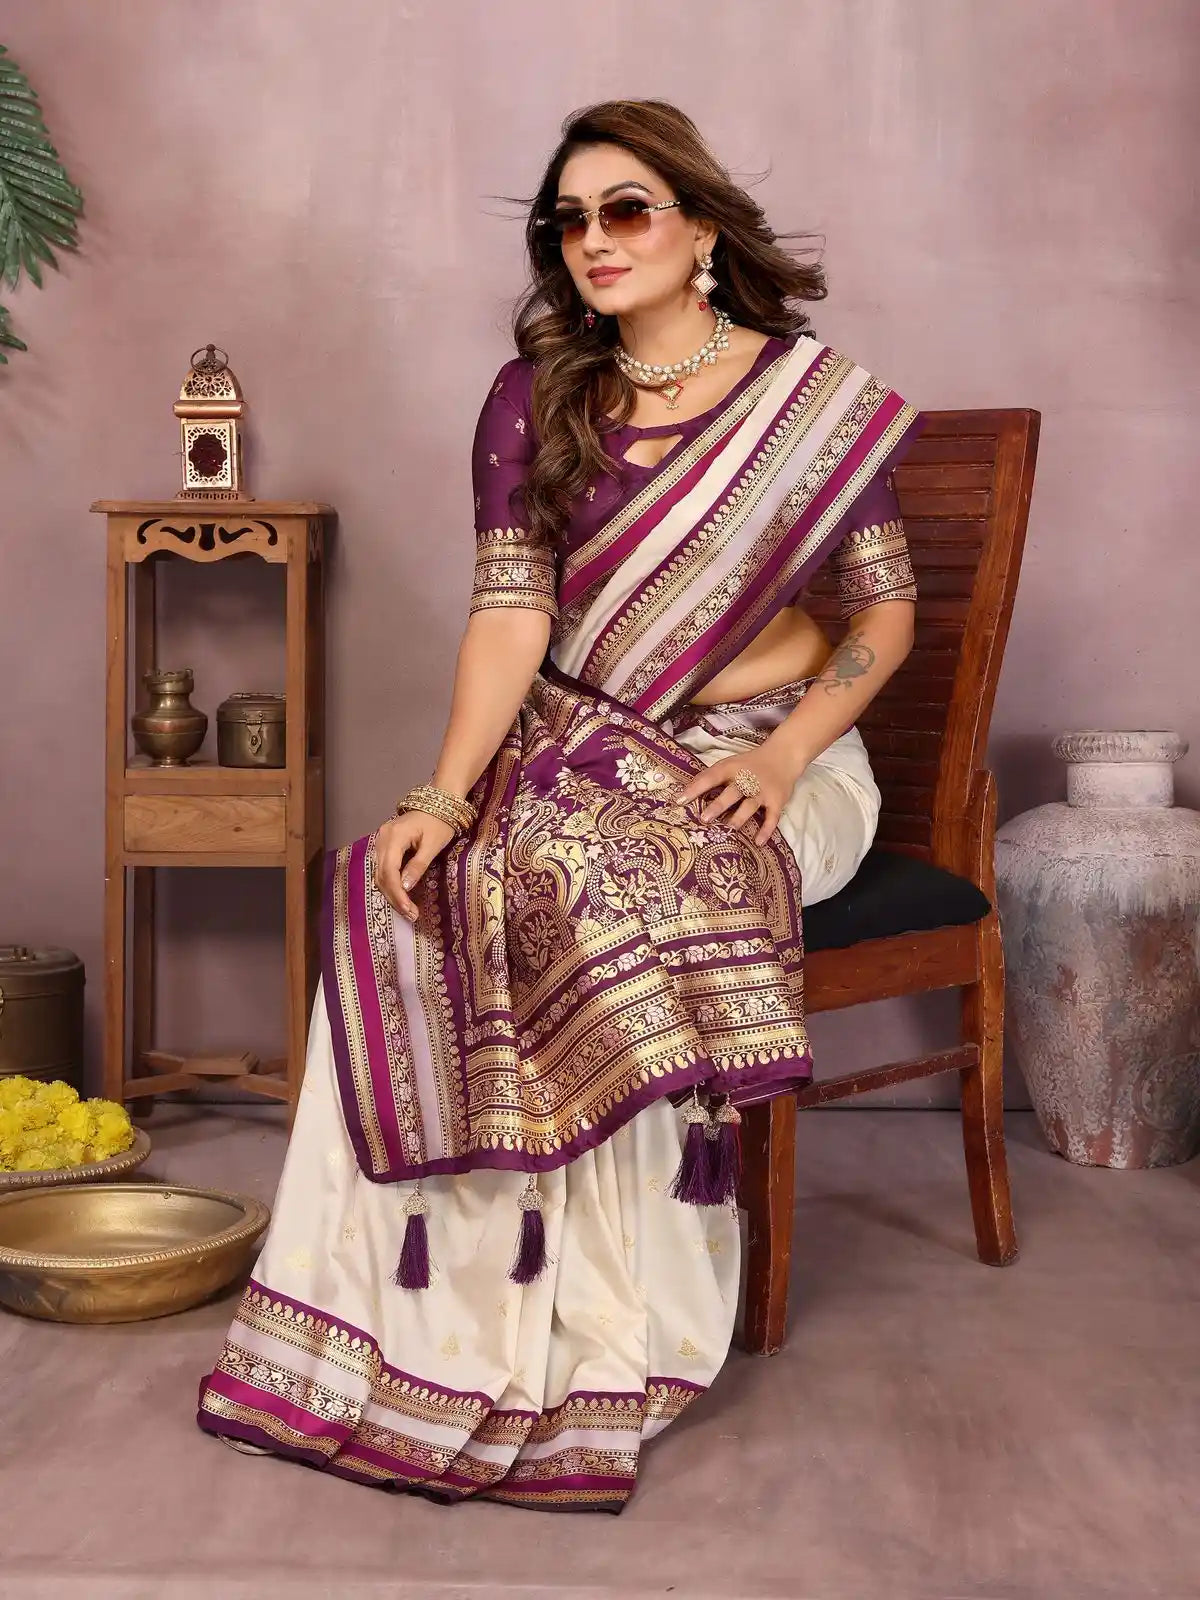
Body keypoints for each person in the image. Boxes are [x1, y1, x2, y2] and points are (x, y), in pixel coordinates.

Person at [198, 98, 920, 1512]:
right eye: (569, 220)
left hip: (778, 756)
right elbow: (512, 622)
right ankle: (422, 1336)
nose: (594, 241)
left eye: (627, 209)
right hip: (580, 742)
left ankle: (609, 1328)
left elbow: (884, 623)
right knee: (430, 882)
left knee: (586, 877)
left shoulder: (811, 401)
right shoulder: (539, 400)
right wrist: (441, 791)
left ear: (700, 230)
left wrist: (782, 762)